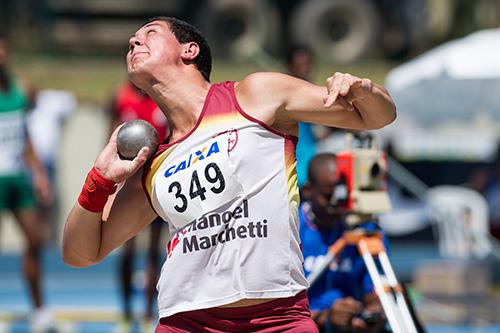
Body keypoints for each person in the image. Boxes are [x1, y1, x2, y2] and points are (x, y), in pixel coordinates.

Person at [62, 16, 396, 332]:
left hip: (278, 317)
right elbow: (81, 253)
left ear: (189, 50)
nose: (134, 40)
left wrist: (363, 88)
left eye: (150, 33)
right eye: (133, 39)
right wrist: (101, 179)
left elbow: (376, 116)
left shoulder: (254, 96)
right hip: (187, 322)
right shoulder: (155, 165)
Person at [299, 153, 387, 332]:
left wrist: (375, 310)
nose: (335, 203)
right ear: (308, 190)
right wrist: (325, 317)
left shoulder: (364, 230)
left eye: (341, 195)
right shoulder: (290, 228)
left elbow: (373, 287)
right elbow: (274, 309)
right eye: (327, 194)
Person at [0, 35, 53, 331]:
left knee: (36, 239)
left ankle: (39, 309)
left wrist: (40, 174)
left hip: (17, 179)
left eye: (4, 52)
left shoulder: (21, 90)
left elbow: (25, 138)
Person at [108, 81, 169, 333]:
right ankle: (125, 312)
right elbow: (110, 137)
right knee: (127, 249)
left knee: (155, 249)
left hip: (157, 182)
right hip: (128, 186)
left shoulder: (163, 99)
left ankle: (147, 313)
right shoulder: (120, 97)